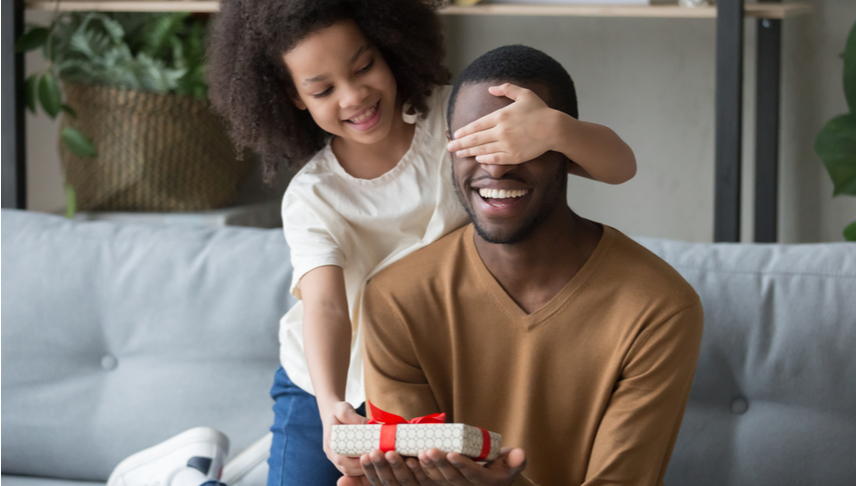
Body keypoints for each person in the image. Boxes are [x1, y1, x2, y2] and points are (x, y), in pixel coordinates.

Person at [202, 2, 635, 485]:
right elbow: (325, 306)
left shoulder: (457, 119)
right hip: (328, 384)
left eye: (363, 66)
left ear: (388, 47)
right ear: (294, 96)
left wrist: (556, 128)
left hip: (425, 377)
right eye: (322, 89)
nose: (353, 97)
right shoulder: (313, 195)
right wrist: (330, 409)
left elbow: (619, 168)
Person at [351, 45, 704, 486]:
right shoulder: (395, 299)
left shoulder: (658, 308)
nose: (495, 168)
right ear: (449, 149)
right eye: (476, 143)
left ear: (567, 152)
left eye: (520, 144)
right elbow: (416, 468)